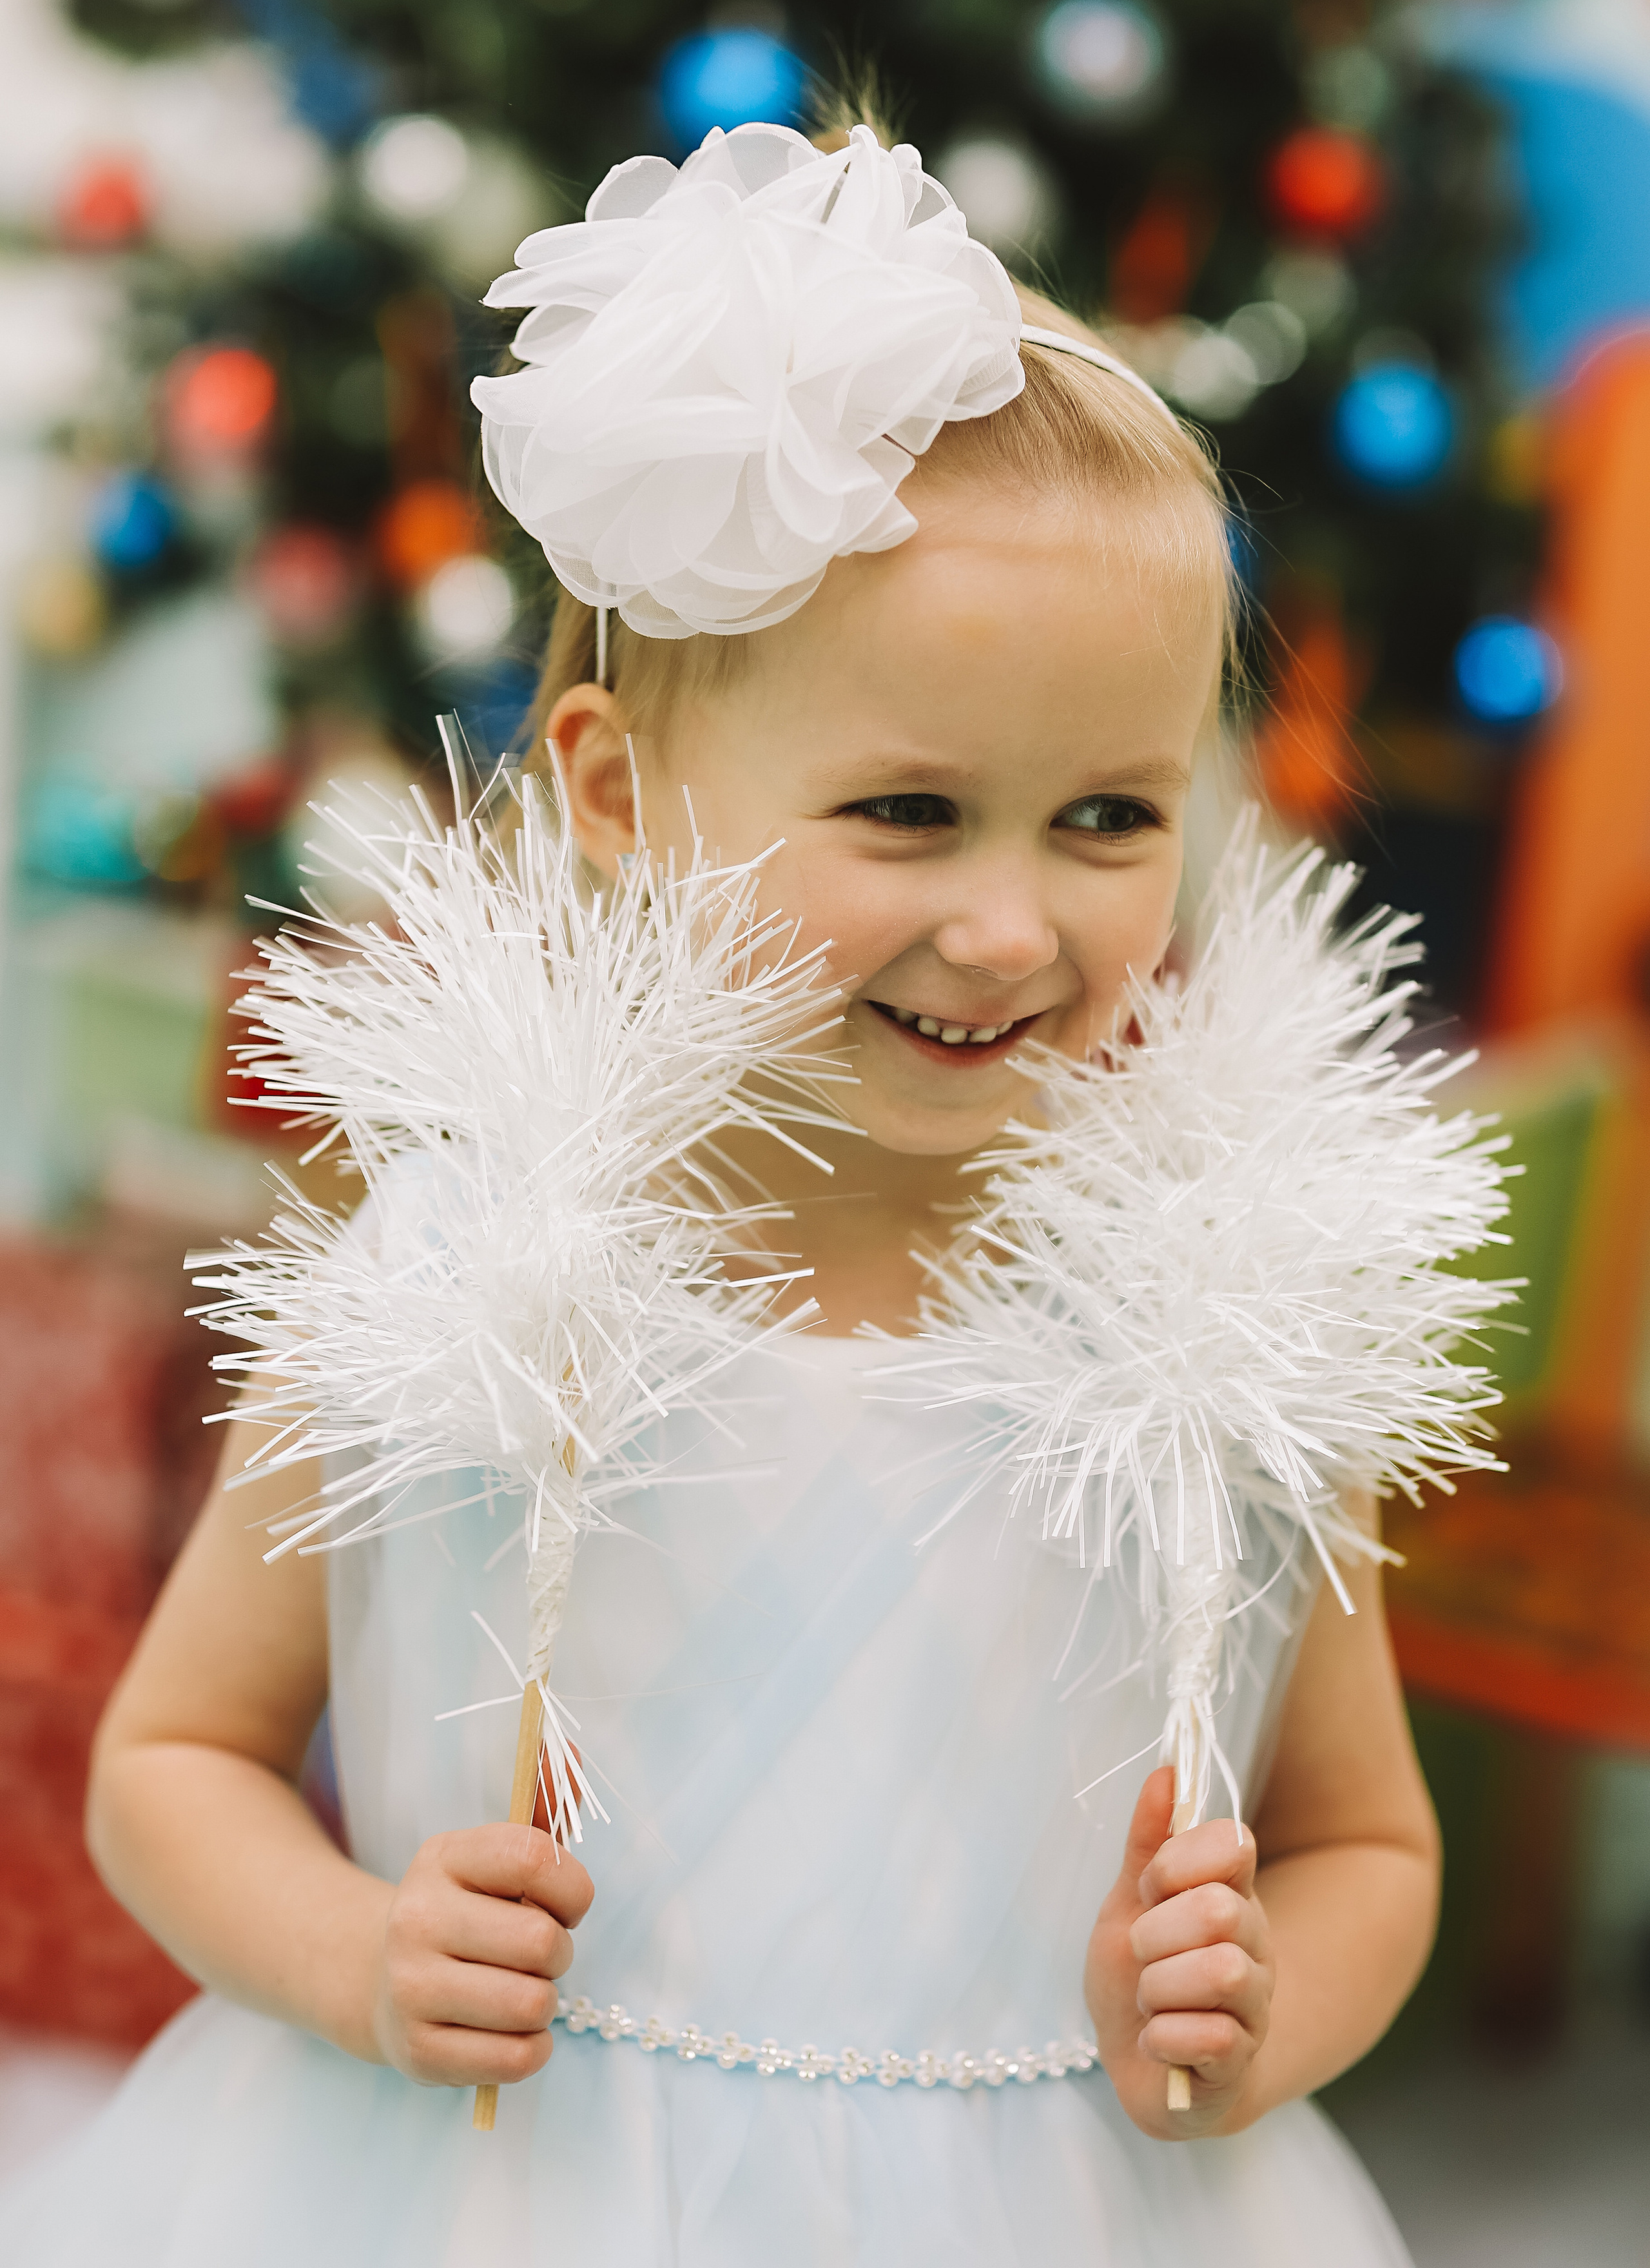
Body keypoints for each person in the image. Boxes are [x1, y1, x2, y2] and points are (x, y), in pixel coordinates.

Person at [1, 119, 1436, 2265]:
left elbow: (1367, 1841)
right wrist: (364, 1953)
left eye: (1111, 819)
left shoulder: (1213, 1333)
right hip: (486, 2195)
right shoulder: (468, 1273)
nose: (1013, 926)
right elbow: (175, 1763)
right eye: (912, 809)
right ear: (616, 791)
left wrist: (1257, 2011)